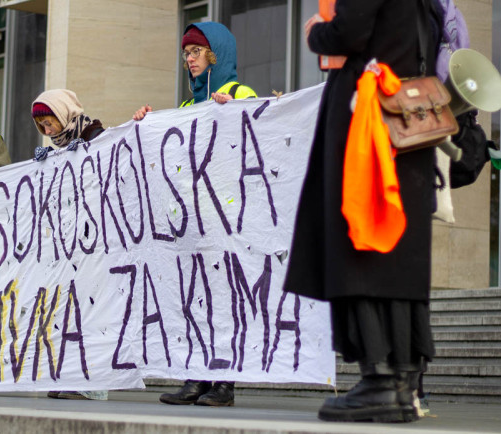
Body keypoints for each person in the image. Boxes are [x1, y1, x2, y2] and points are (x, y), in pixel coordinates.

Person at [283, 0, 442, 423]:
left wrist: (317, 31)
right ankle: (403, 383)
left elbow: (348, 33)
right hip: (405, 120)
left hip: (366, 124)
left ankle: (379, 379)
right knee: (400, 258)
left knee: (360, 244)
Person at [135, 22, 257, 407]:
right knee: (194, 300)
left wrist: (235, 111)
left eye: (196, 52)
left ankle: (224, 382)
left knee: (223, 301)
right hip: (191, 223)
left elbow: (261, 135)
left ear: (215, 55)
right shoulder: (187, 107)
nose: (189, 59)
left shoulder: (239, 93)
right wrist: (146, 125)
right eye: (186, 53)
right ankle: (196, 377)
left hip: (227, 220)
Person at [30, 88, 106, 401]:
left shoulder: (97, 135)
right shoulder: (57, 151)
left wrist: (88, 152)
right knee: (68, 310)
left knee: (92, 310)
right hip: (68, 245)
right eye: (43, 128)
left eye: (50, 123)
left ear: (64, 116)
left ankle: (96, 380)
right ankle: (72, 373)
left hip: (96, 242)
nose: (48, 132)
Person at [31, 88, 104, 161]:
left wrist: (85, 149)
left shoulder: (100, 137)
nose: (46, 132)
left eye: (48, 124)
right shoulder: (68, 142)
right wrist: (49, 159)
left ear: (63, 116)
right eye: (42, 126)